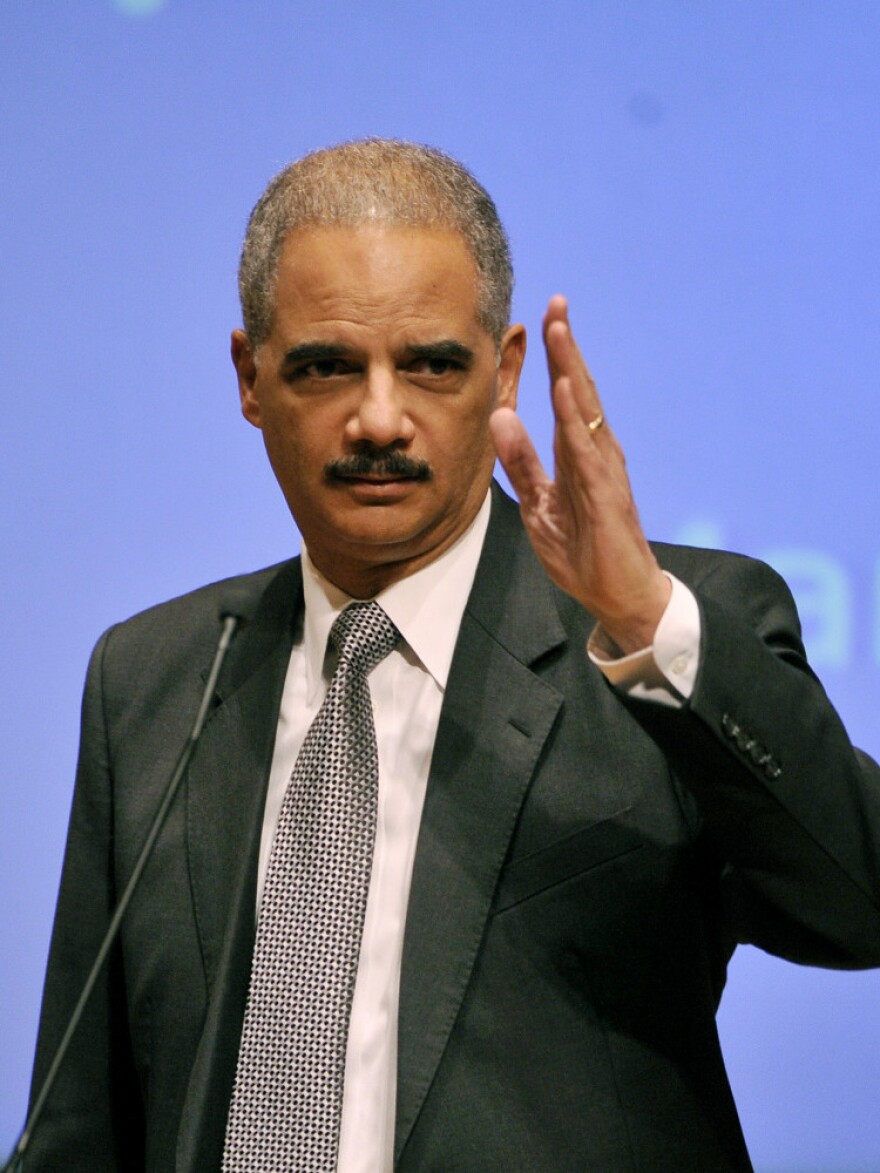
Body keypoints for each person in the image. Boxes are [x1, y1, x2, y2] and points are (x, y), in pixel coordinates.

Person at [27, 139, 880, 1172]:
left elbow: (858, 910)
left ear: (505, 370)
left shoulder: (655, 638)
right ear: (250, 377)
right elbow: (82, 1118)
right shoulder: (152, 675)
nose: (379, 418)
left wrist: (648, 622)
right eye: (325, 365)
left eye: (430, 364)